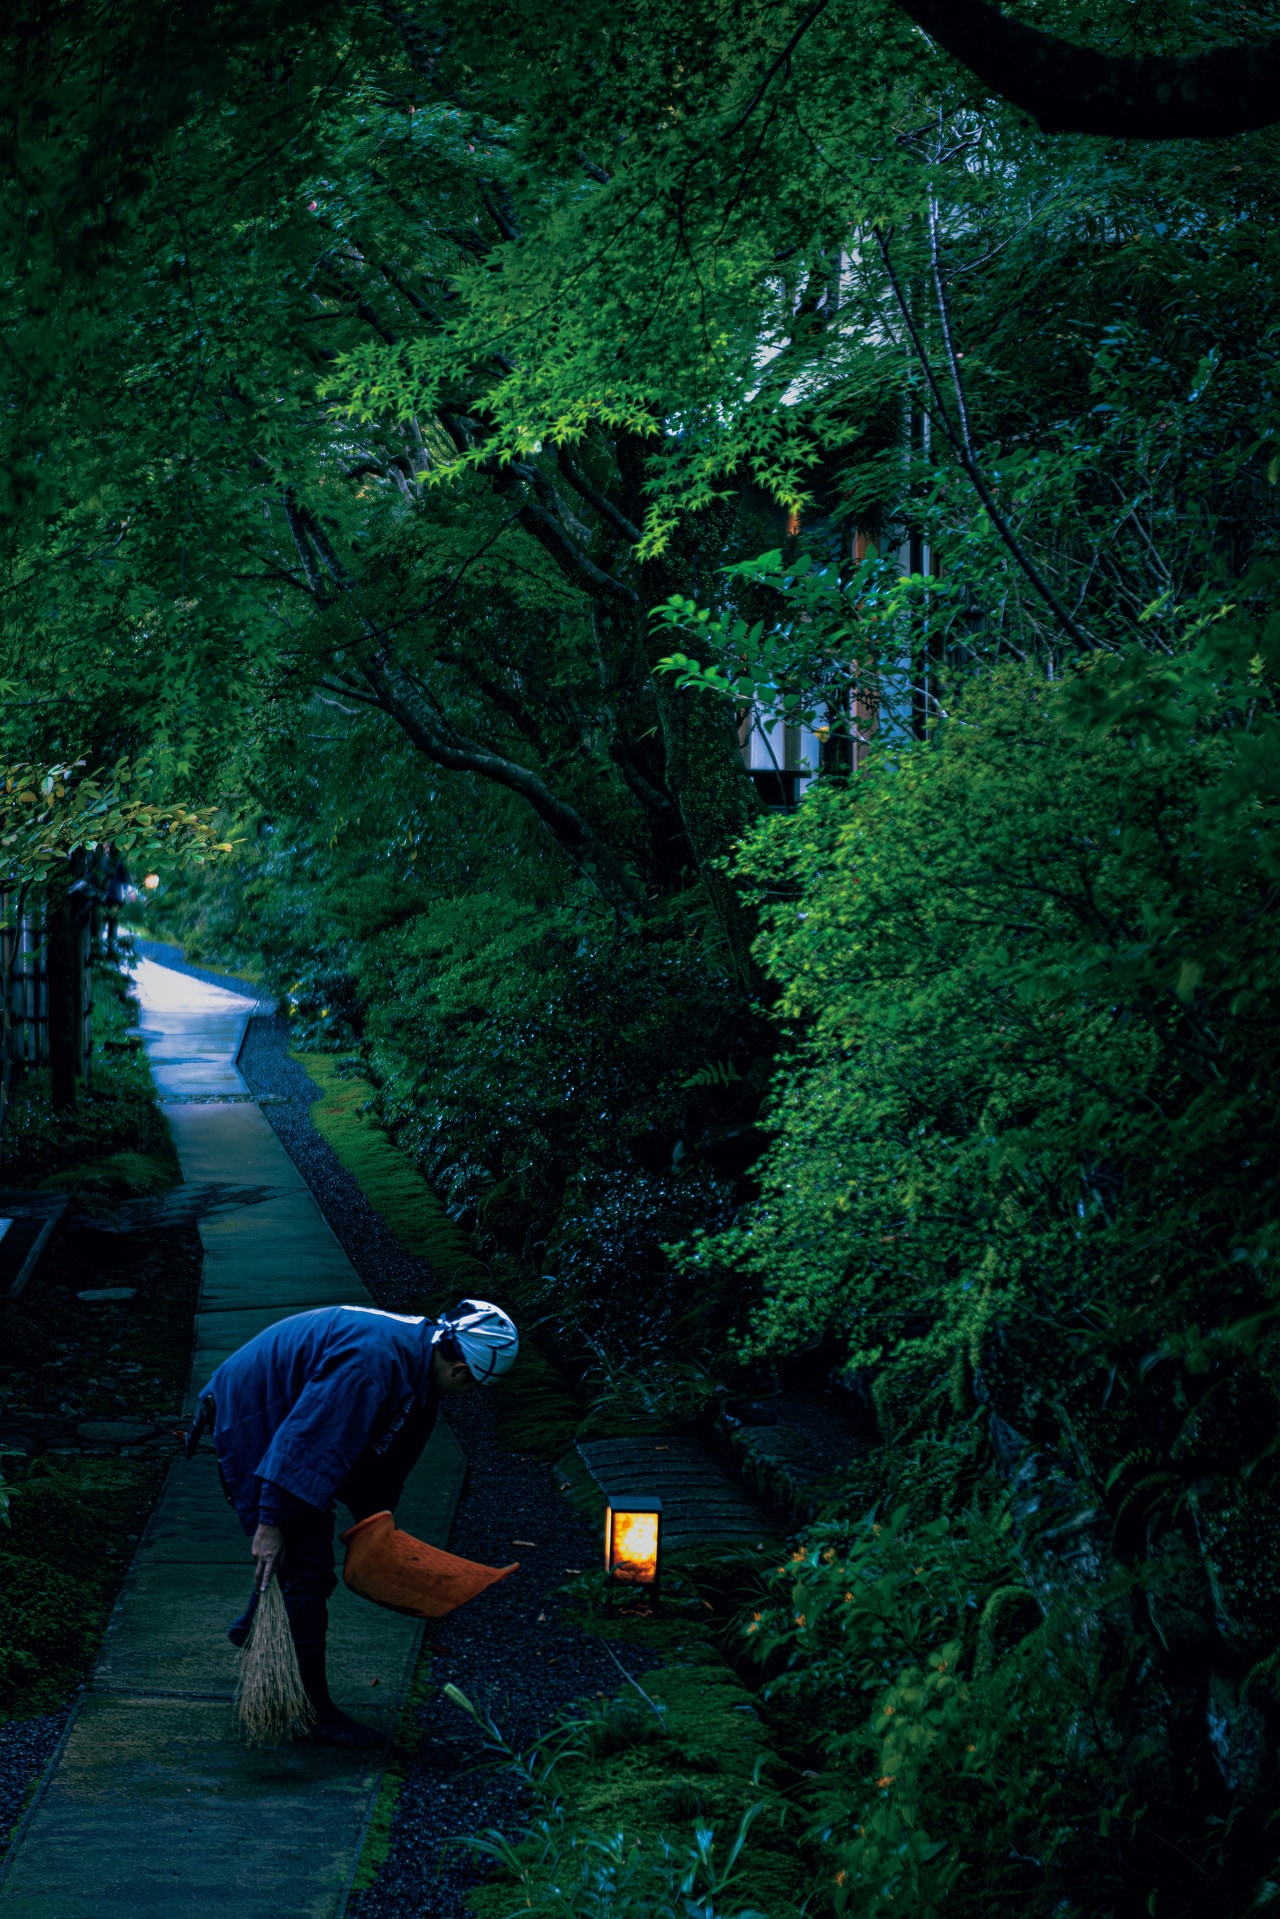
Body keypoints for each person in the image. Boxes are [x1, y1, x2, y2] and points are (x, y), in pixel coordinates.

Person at [189, 1298, 519, 1748]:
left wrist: (381, 1533)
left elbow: (385, 1461)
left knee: (304, 1562)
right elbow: (307, 1443)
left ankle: (255, 1622)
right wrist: (269, 1524)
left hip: (290, 1417)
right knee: (305, 1570)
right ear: (461, 1371)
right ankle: (312, 1715)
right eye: (473, 1387)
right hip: (257, 1414)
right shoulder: (373, 1362)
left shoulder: (418, 1359)